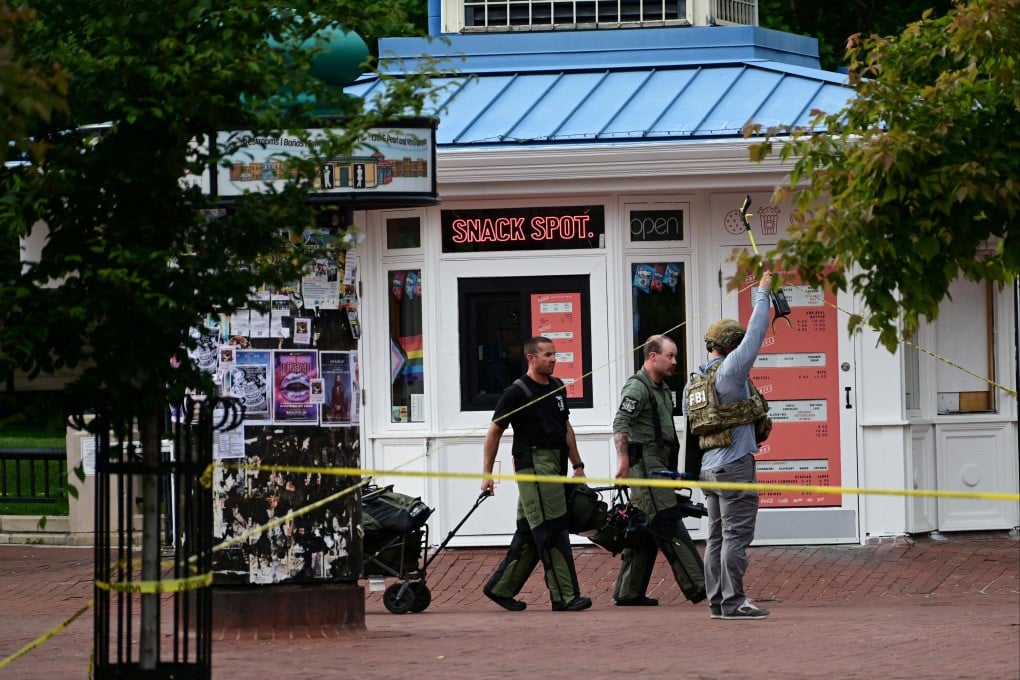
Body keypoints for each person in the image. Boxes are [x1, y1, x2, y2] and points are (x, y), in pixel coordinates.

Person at [684, 270, 773, 620]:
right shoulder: (731, 372)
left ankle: (718, 602)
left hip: (709, 469)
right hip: (735, 466)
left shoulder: (696, 380)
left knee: (717, 537)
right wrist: (763, 292)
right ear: (732, 346)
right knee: (735, 537)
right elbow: (756, 333)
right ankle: (734, 602)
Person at [481, 336, 592, 612]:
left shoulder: (557, 387)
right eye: (547, 355)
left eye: (554, 354)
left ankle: (500, 587)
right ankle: (565, 596)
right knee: (552, 527)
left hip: (557, 463)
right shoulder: (516, 392)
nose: (554, 359)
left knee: (530, 531)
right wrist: (487, 474)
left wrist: (578, 466)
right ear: (531, 358)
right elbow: (494, 432)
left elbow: (566, 427)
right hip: (534, 465)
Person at [612, 334, 706, 606]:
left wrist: (673, 472)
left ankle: (628, 592)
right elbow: (621, 423)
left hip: (659, 466)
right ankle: (701, 586)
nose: (675, 361)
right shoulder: (638, 387)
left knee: (646, 527)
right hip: (645, 468)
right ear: (653, 356)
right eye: (670, 356)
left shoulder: (661, 388)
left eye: (675, 356)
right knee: (666, 520)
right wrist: (623, 460)